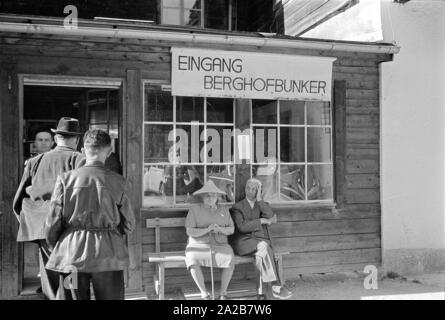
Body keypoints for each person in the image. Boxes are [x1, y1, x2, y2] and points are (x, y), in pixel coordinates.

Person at [44, 129, 135, 300]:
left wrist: (57, 245)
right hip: (109, 255)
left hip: (70, 256)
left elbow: (52, 223)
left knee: (71, 297)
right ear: (108, 152)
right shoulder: (119, 182)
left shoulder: (65, 179)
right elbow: (129, 223)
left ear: (83, 150)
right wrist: (111, 233)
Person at [13, 117, 84, 300]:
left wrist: (33, 225)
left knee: (50, 278)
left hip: (43, 228)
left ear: (56, 137)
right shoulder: (80, 160)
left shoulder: (35, 161)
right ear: (76, 139)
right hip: (70, 229)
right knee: (71, 277)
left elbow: (18, 201)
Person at [230, 178, 292, 300]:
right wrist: (262, 221)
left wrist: (259, 199)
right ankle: (276, 286)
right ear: (245, 189)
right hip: (244, 242)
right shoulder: (237, 207)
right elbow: (242, 227)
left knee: (262, 252)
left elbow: (271, 216)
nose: (250, 191)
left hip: (261, 242)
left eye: (254, 189)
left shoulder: (263, 205)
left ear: (258, 191)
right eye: (248, 188)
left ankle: (262, 292)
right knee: (264, 247)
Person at [185, 180, 235, 300]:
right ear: (202, 197)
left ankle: (223, 293)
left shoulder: (224, 209)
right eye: (207, 195)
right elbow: (190, 231)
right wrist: (207, 230)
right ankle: (204, 293)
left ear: (217, 197)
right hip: (198, 245)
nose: (210, 197)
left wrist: (220, 230)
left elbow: (231, 229)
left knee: (229, 257)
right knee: (192, 258)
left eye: (213, 195)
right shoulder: (194, 209)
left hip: (220, 245)